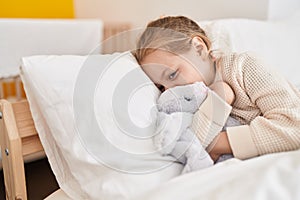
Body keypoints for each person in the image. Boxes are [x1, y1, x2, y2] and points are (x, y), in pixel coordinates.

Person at [133, 15, 300, 162]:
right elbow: (192, 142)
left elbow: (294, 127)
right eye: (161, 87)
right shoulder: (186, 103)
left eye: (172, 75)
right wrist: (218, 101)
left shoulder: (244, 67)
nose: (169, 90)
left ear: (199, 48)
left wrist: (218, 144)